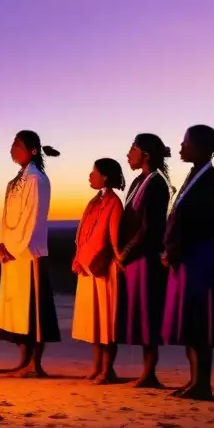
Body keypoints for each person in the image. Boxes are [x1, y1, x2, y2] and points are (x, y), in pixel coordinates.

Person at [162, 125, 214, 400]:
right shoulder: (196, 176)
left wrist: (172, 252)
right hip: (191, 257)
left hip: (202, 258)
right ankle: (195, 381)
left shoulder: (210, 181)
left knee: (200, 322)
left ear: (200, 147)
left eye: (185, 143)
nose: (180, 147)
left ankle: (202, 384)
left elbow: (198, 225)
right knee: (191, 322)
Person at [0, 130, 62, 377]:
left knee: (33, 308)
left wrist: (13, 247)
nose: (13, 149)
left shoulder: (36, 180)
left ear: (32, 150)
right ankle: (23, 361)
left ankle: (36, 363)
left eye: (18, 145)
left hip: (28, 253)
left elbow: (32, 218)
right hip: (11, 254)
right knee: (16, 310)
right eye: (12, 144)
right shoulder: (15, 182)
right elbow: (6, 218)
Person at [114, 134, 172, 388]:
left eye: (132, 149)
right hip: (135, 258)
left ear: (145, 154)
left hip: (146, 257)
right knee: (139, 314)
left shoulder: (157, 183)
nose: (128, 155)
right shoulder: (140, 181)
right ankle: (146, 371)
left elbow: (149, 227)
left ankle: (150, 372)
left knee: (148, 314)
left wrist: (125, 253)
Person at [71, 158, 125, 384]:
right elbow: (82, 233)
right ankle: (96, 367)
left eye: (94, 172)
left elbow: (114, 237)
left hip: (104, 268)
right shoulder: (94, 201)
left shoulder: (113, 202)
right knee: (94, 320)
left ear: (105, 176)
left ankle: (107, 369)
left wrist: (119, 259)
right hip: (87, 266)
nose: (90, 176)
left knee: (106, 321)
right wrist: (79, 258)